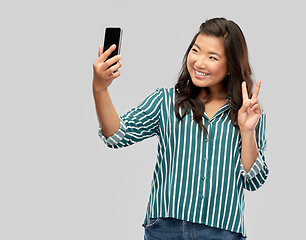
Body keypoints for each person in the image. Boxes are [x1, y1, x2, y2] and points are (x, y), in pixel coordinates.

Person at [92, 17, 268, 240]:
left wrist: (247, 130)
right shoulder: (166, 102)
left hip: (222, 232)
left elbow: (254, 180)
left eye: (212, 57)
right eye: (196, 50)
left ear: (231, 66)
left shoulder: (248, 114)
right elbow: (116, 135)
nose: (199, 62)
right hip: (165, 230)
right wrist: (100, 89)